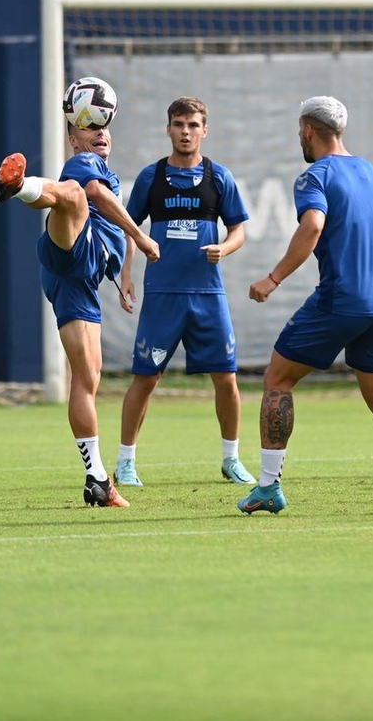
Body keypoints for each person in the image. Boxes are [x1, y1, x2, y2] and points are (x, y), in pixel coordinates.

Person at [236, 96, 373, 515]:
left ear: (307, 129)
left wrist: (272, 279)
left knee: (278, 380)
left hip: (340, 299)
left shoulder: (315, 176)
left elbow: (313, 225)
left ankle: (268, 487)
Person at [0, 85, 160, 508]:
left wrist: (123, 274)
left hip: (78, 280)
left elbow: (112, 221)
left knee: (87, 380)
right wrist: (139, 237)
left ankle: (97, 480)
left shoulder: (109, 172)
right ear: (74, 135)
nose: (100, 131)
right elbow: (98, 198)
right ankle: (22, 184)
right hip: (72, 247)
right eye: (89, 125)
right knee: (75, 195)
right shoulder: (83, 163)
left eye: (104, 125)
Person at [115, 97, 254, 487]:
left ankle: (231, 459)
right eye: (179, 124)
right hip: (162, 295)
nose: (186, 132)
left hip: (208, 296)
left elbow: (239, 230)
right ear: (168, 129)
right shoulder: (151, 178)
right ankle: (126, 463)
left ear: (204, 130)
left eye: (193, 125)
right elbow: (129, 226)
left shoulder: (219, 178)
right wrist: (126, 272)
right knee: (145, 378)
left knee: (226, 378)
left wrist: (224, 248)